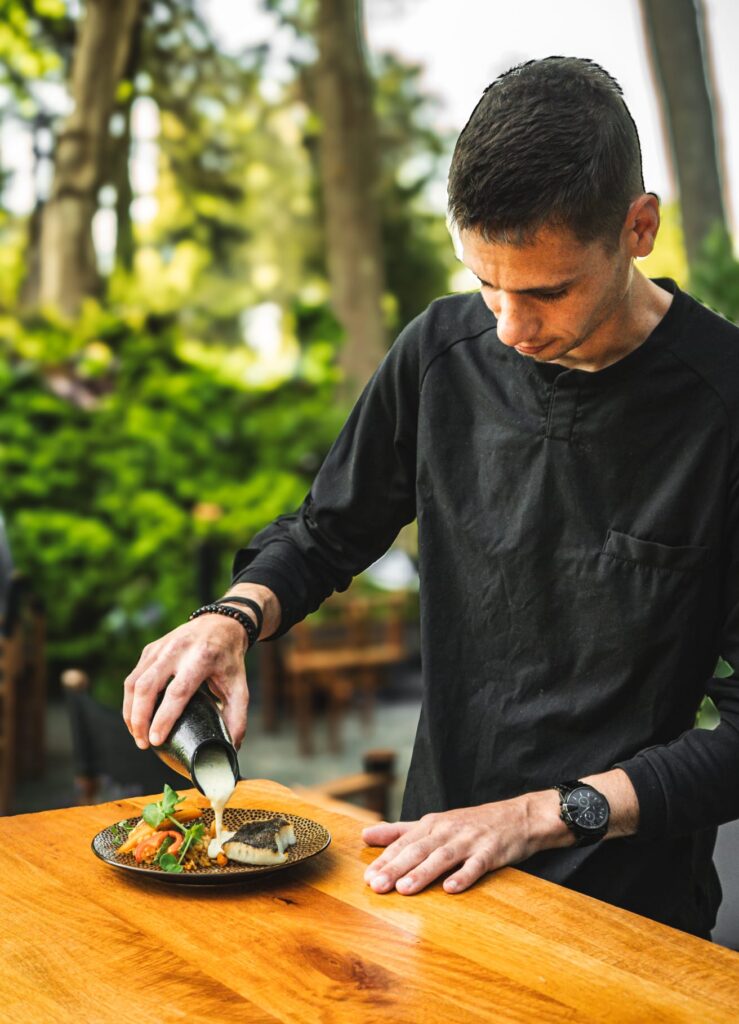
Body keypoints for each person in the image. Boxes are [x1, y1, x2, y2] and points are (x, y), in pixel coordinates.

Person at [123, 56, 739, 939]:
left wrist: (532, 817)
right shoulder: (440, 352)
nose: (509, 328)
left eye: (547, 291)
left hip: (631, 907)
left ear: (638, 228)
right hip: (433, 866)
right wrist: (231, 617)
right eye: (486, 282)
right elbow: (327, 531)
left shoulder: (723, 406)